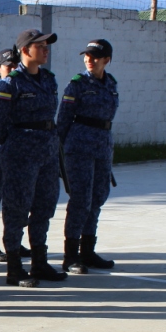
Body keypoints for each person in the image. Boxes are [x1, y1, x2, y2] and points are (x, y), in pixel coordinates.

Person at [0, 29, 68, 287]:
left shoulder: (49, 79)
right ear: (25, 51)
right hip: (21, 153)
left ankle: (39, 262)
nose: (46, 49)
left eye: (47, 45)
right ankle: (14, 267)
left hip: (47, 151)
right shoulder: (10, 84)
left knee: (44, 206)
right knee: (16, 209)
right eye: (40, 46)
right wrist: (12, 147)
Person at [57, 38, 119, 273]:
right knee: (81, 199)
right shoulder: (77, 84)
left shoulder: (111, 83)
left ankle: (88, 250)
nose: (89, 60)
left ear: (107, 60)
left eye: (95, 56)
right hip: (80, 147)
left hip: (102, 146)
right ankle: (71, 256)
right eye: (87, 56)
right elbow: (63, 120)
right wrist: (62, 150)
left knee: (98, 197)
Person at [0, 48, 30, 263]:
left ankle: (15, 241)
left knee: (18, 197)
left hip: (19, 149)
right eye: (7, 67)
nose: (11, 71)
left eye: (15, 66)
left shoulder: (23, 87)